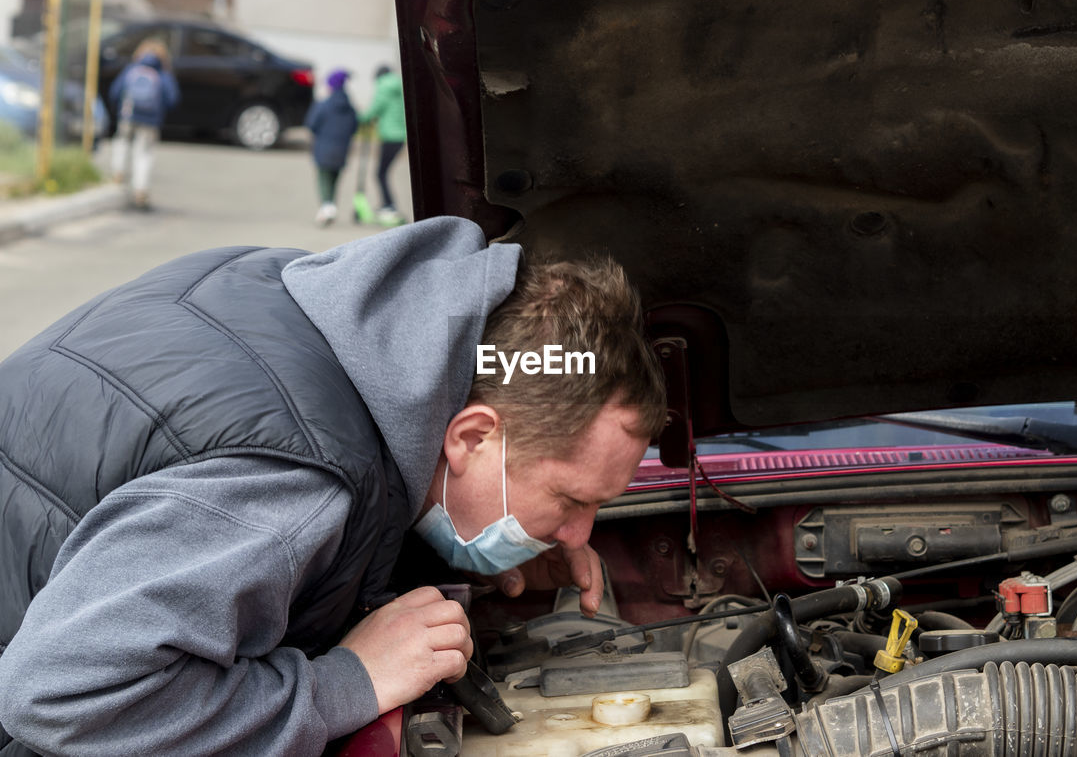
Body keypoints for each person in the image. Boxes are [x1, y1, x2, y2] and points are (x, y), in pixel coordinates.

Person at [0, 216, 666, 756]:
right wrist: (348, 682)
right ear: (470, 437)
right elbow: (62, 698)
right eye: (572, 500)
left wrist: (467, 552)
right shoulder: (294, 479)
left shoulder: (336, 319)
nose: (580, 532)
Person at [107, 39, 180, 211]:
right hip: (150, 121)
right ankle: (140, 189)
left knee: (122, 142)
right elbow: (172, 98)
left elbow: (115, 91)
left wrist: (119, 108)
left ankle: (118, 173)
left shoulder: (132, 69)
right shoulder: (162, 73)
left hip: (128, 114)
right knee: (144, 154)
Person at [305, 69, 360, 226]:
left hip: (323, 149)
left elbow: (311, 124)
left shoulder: (323, 105)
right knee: (334, 179)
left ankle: (326, 207)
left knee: (323, 178)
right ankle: (330, 207)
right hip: (342, 150)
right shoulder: (350, 108)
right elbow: (354, 127)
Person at [360, 64, 407, 226]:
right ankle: (388, 205)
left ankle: (390, 206)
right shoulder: (398, 87)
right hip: (400, 137)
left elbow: (373, 110)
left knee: (380, 173)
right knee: (382, 172)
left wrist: (361, 119)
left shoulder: (384, 88)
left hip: (390, 137)